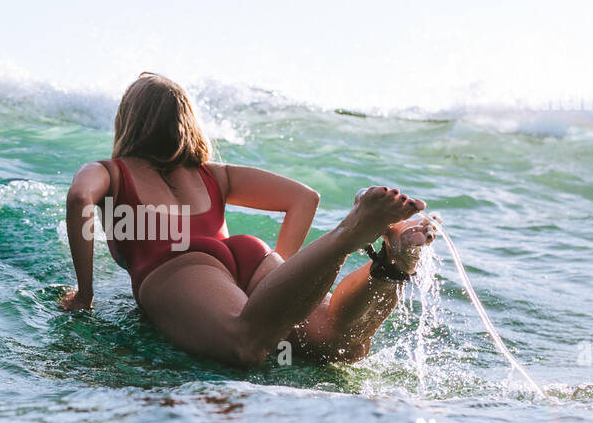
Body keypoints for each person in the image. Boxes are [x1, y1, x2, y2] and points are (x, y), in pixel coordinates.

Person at [61, 72, 434, 367]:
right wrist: (280, 282)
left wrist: (85, 294)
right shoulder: (213, 173)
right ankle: (390, 264)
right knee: (337, 343)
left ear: (127, 123)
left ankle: (348, 234)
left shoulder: (109, 171)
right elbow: (304, 198)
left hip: (180, 265)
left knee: (246, 343)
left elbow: (79, 198)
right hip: (245, 255)